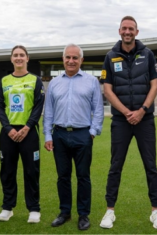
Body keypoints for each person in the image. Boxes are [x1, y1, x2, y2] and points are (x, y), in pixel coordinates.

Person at [99, 16, 157, 230]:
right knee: (115, 166)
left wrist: (142, 111)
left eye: (131, 29)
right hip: (121, 120)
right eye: (124, 28)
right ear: (119, 31)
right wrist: (128, 112)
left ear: (137, 32)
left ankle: (155, 212)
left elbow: (154, 86)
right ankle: (110, 211)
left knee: (151, 166)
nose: (127, 32)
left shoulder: (147, 54)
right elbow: (107, 90)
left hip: (145, 120)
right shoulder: (110, 56)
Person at [43, 43, 104, 230]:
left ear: (81, 60)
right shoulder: (54, 83)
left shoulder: (91, 81)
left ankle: (83, 215)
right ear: (63, 59)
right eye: (68, 57)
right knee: (63, 176)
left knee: (83, 176)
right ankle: (65, 212)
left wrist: (92, 133)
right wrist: (48, 135)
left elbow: (98, 109)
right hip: (59, 134)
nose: (71, 61)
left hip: (82, 135)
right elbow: (49, 112)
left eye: (75, 57)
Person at [0, 45, 45, 223]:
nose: (18, 58)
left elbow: (38, 106)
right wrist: (8, 129)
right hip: (8, 133)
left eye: (21, 55)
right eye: (15, 55)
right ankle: (7, 208)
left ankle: (34, 209)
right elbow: (0, 107)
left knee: (31, 171)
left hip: (29, 132)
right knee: (7, 171)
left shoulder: (35, 80)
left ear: (27, 58)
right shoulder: (4, 81)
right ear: (11, 59)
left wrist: (26, 128)